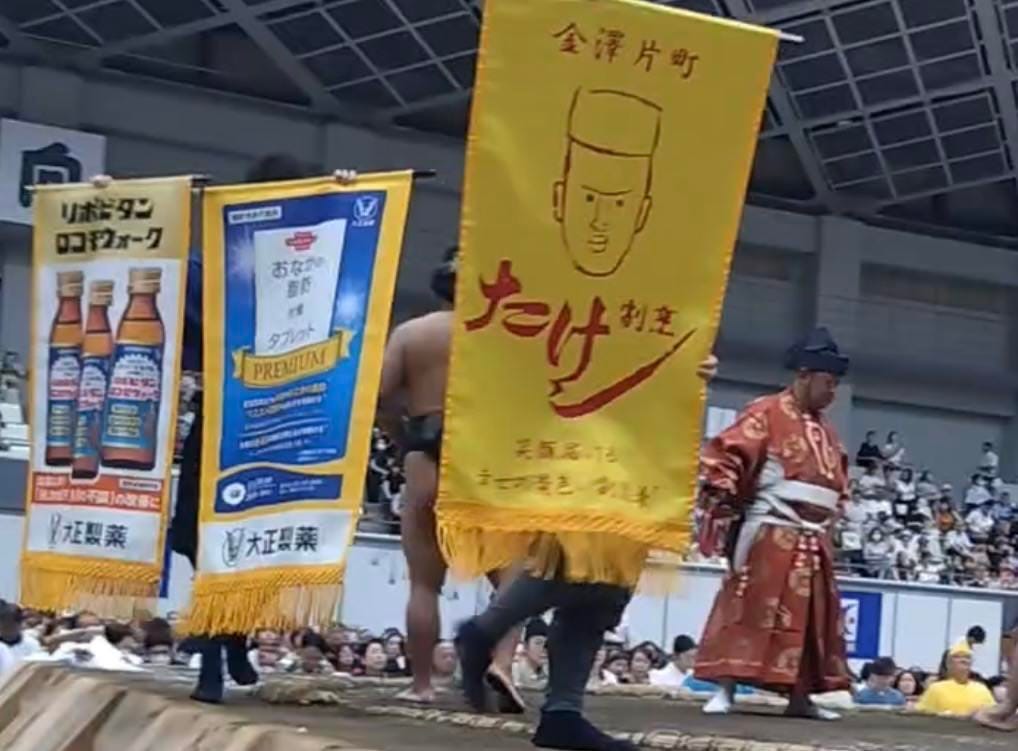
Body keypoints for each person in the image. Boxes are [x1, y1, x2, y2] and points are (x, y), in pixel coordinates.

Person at [162, 156, 356, 703]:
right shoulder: (214, 268)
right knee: (203, 539)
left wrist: (349, 200)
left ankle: (228, 640)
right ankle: (221, 644)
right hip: (225, 418)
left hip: (289, 419)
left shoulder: (321, 266)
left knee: (257, 542)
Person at [454, 354, 719, 751]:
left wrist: (690, 367)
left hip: (636, 456)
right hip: (581, 437)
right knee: (579, 567)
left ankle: (557, 707)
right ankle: (492, 638)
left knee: (602, 588)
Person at [377, 245, 523, 709]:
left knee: (424, 583)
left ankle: (422, 684)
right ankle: (501, 665)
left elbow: (380, 397)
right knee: (512, 580)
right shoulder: (512, 335)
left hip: (426, 452)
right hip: (490, 457)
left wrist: (400, 437)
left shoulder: (412, 334)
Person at [693, 327, 851, 721]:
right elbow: (728, 454)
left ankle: (801, 697)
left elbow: (839, 482)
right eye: (828, 382)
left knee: (812, 619)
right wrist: (724, 491)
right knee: (748, 607)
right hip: (771, 530)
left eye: (835, 384)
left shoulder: (828, 431)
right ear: (804, 375)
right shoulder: (765, 411)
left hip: (814, 537)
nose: (832, 391)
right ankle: (725, 689)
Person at [919, 644, 994, 716]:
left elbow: (993, 714)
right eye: (957, 657)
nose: (963, 660)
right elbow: (921, 714)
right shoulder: (936, 688)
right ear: (948, 664)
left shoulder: (982, 689)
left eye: (967, 657)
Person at [514, 618, 550, 690]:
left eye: (547, 643)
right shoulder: (514, 674)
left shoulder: (550, 672)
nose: (544, 649)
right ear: (525, 646)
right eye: (538, 643)